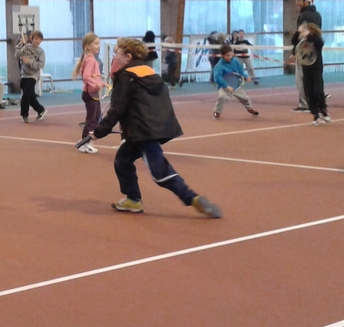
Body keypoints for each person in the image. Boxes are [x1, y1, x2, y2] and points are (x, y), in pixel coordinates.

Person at [92, 37, 221, 218]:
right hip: (149, 128)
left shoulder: (125, 77)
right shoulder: (151, 73)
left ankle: (193, 198)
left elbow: (117, 109)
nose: (115, 57)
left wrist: (98, 131)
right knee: (123, 161)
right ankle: (133, 200)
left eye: (118, 54)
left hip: (143, 132)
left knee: (159, 173)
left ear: (128, 57)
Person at [290, 0, 322, 112]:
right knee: (313, 77)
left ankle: (305, 104)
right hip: (314, 51)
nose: (296, 3)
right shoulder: (317, 15)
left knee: (302, 78)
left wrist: (295, 52)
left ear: (306, 2)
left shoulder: (304, 16)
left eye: (299, 0)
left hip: (304, 51)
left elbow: (301, 35)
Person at [73, 32, 105, 154]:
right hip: (90, 94)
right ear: (87, 46)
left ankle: (86, 141)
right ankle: (84, 143)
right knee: (92, 119)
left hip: (93, 93)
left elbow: (93, 77)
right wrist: (95, 84)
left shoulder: (90, 59)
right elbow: (86, 77)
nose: (98, 46)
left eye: (99, 43)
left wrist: (101, 83)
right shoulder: (90, 60)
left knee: (96, 118)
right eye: (96, 43)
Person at [212, 44, 259, 119]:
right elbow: (217, 78)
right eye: (228, 55)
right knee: (221, 97)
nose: (230, 57)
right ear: (222, 55)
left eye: (231, 55)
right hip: (224, 86)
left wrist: (245, 77)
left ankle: (249, 109)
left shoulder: (235, 61)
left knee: (245, 98)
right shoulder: (219, 66)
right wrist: (226, 86)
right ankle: (217, 112)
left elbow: (240, 71)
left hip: (236, 85)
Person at [296, 23, 329, 125]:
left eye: (303, 30)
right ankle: (315, 115)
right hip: (306, 69)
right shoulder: (301, 41)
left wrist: (309, 35)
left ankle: (323, 110)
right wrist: (300, 32)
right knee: (309, 93)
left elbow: (320, 43)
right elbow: (295, 44)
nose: (301, 33)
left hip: (316, 69)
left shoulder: (316, 40)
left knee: (318, 92)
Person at [17, 30, 46, 122]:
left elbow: (41, 65)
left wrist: (29, 62)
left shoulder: (41, 52)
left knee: (26, 95)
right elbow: (17, 55)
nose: (37, 41)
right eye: (36, 39)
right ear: (31, 39)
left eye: (40, 39)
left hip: (33, 75)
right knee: (30, 96)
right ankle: (40, 110)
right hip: (24, 74)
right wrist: (20, 45)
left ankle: (24, 115)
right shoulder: (26, 47)